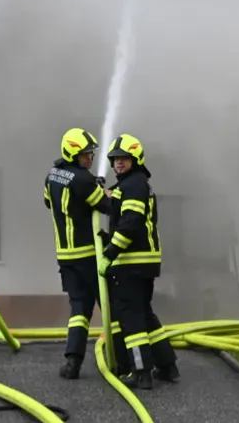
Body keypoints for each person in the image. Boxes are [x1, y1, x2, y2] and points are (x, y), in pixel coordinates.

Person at [98, 134, 179, 390]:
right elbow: (120, 209)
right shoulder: (135, 184)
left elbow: (130, 223)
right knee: (144, 314)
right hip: (144, 262)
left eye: (124, 158)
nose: (118, 163)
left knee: (130, 317)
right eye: (115, 159)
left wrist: (110, 253)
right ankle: (167, 365)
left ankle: (140, 371)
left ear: (136, 159)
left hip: (131, 263)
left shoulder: (133, 185)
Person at [45, 127, 115, 380]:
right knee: (110, 305)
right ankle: (122, 359)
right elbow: (107, 205)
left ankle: (72, 363)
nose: (90, 158)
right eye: (85, 154)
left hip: (65, 257)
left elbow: (48, 201)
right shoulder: (83, 180)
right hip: (89, 255)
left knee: (79, 310)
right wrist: (106, 192)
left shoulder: (52, 175)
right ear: (72, 154)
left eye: (91, 153)